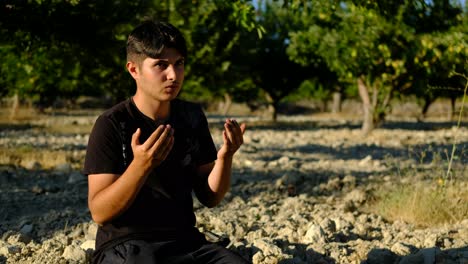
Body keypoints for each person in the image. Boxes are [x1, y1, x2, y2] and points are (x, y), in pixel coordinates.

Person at [83, 19, 249, 264]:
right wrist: (141, 165)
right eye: (161, 65)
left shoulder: (191, 116)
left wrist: (225, 157)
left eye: (179, 63)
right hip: (127, 246)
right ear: (133, 70)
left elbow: (210, 197)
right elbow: (100, 212)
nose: (173, 75)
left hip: (185, 241)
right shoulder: (111, 124)